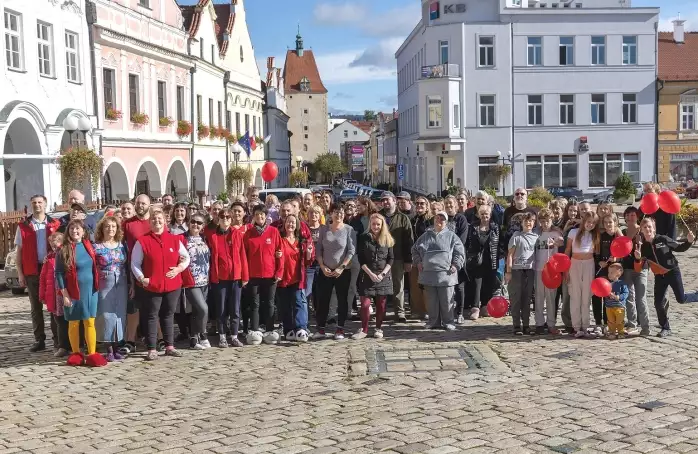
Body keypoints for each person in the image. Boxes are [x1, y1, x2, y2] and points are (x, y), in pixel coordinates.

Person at [131, 207, 190, 360]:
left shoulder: (174, 239)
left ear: (165, 221)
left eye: (160, 219)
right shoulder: (143, 241)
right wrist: (141, 278)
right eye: (153, 219)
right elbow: (135, 263)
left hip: (172, 285)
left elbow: (186, 257)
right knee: (151, 315)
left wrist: (179, 269)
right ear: (149, 223)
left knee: (168, 315)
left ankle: (169, 346)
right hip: (152, 286)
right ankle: (152, 348)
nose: (157, 222)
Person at [55, 219, 106, 367]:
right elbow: (58, 273)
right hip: (72, 292)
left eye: (78, 229)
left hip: (91, 290)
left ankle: (92, 353)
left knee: (89, 321)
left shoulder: (89, 246)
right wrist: (64, 294)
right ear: (68, 232)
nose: (75, 231)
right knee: (74, 323)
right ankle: (76, 353)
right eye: (71, 229)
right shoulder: (63, 249)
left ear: (83, 231)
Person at [634, 217, 694, 338]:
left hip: (672, 272)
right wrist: (637, 258)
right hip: (659, 277)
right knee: (658, 303)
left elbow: (679, 248)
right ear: (641, 230)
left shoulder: (662, 239)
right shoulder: (643, 247)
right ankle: (665, 328)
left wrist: (689, 241)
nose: (647, 229)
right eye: (645, 227)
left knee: (681, 299)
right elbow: (638, 268)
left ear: (654, 228)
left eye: (649, 226)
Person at [16, 194, 62, 352]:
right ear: (30, 206)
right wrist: (20, 274)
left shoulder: (55, 224)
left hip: (52, 269)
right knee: (36, 307)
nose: (37, 205)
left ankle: (58, 340)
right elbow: (19, 252)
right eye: (34, 203)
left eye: (40, 202)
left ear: (45, 204)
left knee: (54, 305)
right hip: (32, 270)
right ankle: (39, 340)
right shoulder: (23, 226)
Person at [411, 211, 465, 331]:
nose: (439, 221)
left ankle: (448, 322)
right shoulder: (424, 236)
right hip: (428, 274)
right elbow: (414, 250)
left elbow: (459, 252)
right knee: (431, 301)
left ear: (446, 222)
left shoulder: (452, 236)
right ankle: (433, 321)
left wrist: (455, 265)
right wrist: (418, 262)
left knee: (447, 300)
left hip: (446, 275)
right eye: (437, 218)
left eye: (442, 219)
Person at [207, 206, 248, 348]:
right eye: (222, 217)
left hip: (235, 277)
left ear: (231, 219)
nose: (225, 219)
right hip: (220, 278)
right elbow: (210, 259)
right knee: (221, 309)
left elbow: (242, 255)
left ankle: (234, 336)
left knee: (235, 308)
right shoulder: (213, 236)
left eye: (228, 217)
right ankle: (222, 336)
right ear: (218, 219)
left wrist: (245, 276)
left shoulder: (236, 234)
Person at [314, 203, 356, 340]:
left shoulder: (349, 230)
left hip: (342, 271)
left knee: (342, 299)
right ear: (331, 214)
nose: (339, 214)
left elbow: (351, 251)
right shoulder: (323, 229)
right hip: (325, 270)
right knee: (323, 300)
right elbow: (319, 249)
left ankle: (340, 328)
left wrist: (341, 267)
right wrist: (322, 265)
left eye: (342, 212)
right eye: (336, 212)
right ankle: (320, 329)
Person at [244, 205, 284, 345]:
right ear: (253, 216)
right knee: (254, 304)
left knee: (270, 303)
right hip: (254, 275)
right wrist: (245, 275)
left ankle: (269, 330)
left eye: (262, 215)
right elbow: (244, 255)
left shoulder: (273, 232)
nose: (259, 217)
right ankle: (255, 330)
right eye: (257, 215)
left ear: (266, 216)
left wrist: (279, 272)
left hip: (270, 275)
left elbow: (280, 253)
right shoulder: (249, 233)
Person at [352, 213, 394, 340]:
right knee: (365, 304)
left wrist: (382, 274)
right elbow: (360, 258)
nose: (375, 226)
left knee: (381, 305)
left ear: (382, 226)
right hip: (367, 275)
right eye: (373, 224)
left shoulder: (388, 238)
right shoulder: (364, 238)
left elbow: (391, 258)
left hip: (383, 275)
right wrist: (370, 273)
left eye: (378, 224)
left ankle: (378, 328)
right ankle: (364, 329)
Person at [93, 215, 128, 362]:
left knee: (119, 313)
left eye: (113, 226)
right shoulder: (96, 247)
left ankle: (116, 346)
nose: (111, 229)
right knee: (106, 315)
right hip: (104, 282)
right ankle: (108, 349)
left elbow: (127, 265)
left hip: (121, 281)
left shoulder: (121, 245)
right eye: (107, 226)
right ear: (102, 228)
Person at [120, 194, 152, 355]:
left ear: (149, 204)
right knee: (134, 308)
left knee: (153, 307)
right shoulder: (127, 224)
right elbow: (119, 244)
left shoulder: (154, 221)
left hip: (153, 269)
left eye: (143, 203)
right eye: (138, 203)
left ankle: (154, 339)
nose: (140, 205)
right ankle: (130, 341)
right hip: (133, 270)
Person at [277, 214, 314, 342]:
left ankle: (301, 328)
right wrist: (277, 255)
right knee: (285, 305)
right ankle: (288, 330)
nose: (290, 225)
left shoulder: (301, 241)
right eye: (288, 222)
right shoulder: (280, 239)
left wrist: (308, 253)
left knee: (299, 302)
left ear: (297, 225)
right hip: (283, 277)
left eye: (293, 222)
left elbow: (308, 261)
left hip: (297, 277)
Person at [380, 192, 414, 323]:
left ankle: (400, 312)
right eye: (383, 200)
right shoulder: (378, 216)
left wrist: (408, 259)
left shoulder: (403, 218)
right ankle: (381, 312)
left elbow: (409, 240)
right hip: (381, 258)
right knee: (381, 287)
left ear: (394, 201)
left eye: (387, 200)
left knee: (398, 286)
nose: (385, 202)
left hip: (398, 256)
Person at [565, 212, 599, 338]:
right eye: (588, 221)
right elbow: (568, 250)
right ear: (583, 220)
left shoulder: (594, 235)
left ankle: (585, 326)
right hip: (574, 263)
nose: (590, 224)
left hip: (589, 264)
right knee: (575, 295)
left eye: (593, 223)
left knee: (586, 295)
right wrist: (565, 270)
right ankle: (576, 326)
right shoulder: (573, 233)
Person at [464, 204, 500, 321]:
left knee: (488, 284)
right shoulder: (473, 227)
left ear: (490, 215)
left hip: (491, 259)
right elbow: (467, 243)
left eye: (487, 214)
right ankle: (475, 308)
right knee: (476, 285)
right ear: (479, 215)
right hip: (476, 260)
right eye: (482, 214)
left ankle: (485, 306)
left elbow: (499, 243)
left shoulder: (495, 227)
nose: (485, 216)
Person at [181, 211, 211, 349]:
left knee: (197, 311)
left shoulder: (204, 238)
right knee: (203, 309)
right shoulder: (182, 238)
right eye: (193, 221)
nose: (195, 225)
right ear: (188, 223)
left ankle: (194, 338)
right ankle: (203, 334)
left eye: (199, 223)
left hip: (204, 279)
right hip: (190, 280)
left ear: (203, 226)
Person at [505, 212, 539, 335]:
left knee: (527, 299)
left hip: (530, 271)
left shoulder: (536, 237)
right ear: (522, 222)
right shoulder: (516, 236)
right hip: (516, 270)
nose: (528, 223)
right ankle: (516, 325)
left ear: (534, 222)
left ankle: (526, 325)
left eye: (531, 221)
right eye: (526, 220)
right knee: (516, 299)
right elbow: (510, 255)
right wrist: (508, 271)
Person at [533, 209, 563, 335]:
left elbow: (561, 241)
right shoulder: (536, 234)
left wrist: (556, 241)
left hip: (552, 270)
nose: (545, 224)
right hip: (538, 269)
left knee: (551, 298)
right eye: (543, 221)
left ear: (552, 221)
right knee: (539, 297)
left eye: (548, 221)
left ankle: (551, 323)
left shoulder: (556, 233)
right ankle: (539, 323)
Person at [591, 214, 622, 336]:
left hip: (613, 271)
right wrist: (599, 261)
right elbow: (595, 253)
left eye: (610, 222)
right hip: (601, 269)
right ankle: (598, 323)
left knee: (609, 297)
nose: (608, 225)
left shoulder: (618, 236)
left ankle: (608, 323)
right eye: (606, 222)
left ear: (615, 223)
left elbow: (624, 253)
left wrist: (616, 258)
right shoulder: (600, 236)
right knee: (597, 295)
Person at [39, 232, 69, 357]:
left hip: (66, 294)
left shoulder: (66, 255)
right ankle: (60, 344)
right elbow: (42, 278)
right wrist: (42, 295)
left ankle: (72, 344)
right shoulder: (49, 259)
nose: (54, 244)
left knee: (69, 320)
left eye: (56, 241)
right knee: (57, 321)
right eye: (51, 242)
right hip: (53, 296)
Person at [622, 206, 650, 336]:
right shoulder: (622, 231)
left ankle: (645, 327)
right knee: (629, 297)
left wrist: (642, 244)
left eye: (632, 215)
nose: (630, 217)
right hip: (627, 268)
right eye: (627, 215)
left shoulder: (642, 232)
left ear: (637, 216)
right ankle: (632, 324)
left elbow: (649, 250)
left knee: (641, 298)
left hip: (641, 268)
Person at [444, 195, 469, 324]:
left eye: (451, 204)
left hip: (457, 256)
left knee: (459, 286)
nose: (449, 206)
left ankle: (460, 313)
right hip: (443, 258)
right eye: (446, 204)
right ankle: (447, 313)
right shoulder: (442, 218)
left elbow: (462, 239)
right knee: (446, 286)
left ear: (455, 205)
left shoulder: (461, 219)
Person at [408, 196, 432, 320]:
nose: (419, 206)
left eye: (422, 203)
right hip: (415, 256)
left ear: (427, 206)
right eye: (417, 203)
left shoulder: (431, 220)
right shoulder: (413, 220)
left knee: (427, 285)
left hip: (428, 257)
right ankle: (418, 310)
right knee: (415, 284)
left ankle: (429, 309)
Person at [604, 263, 629, 339]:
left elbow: (626, 293)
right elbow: (604, 293)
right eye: (608, 272)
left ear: (619, 273)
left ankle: (621, 332)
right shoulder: (607, 284)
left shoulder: (622, 283)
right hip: (609, 307)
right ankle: (612, 332)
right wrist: (607, 295)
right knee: (611, 321)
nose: (609, 274)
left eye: (611, 272)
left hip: (619, 306)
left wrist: (620, 297)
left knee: (620, 321)